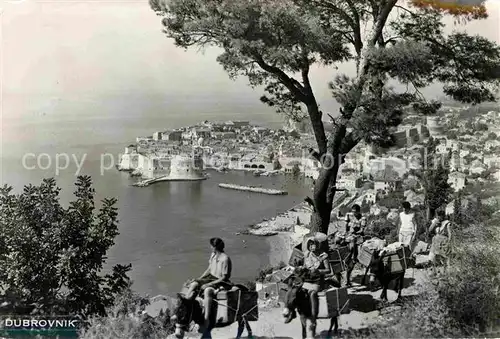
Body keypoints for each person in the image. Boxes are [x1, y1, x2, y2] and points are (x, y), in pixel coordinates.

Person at [184, 238, 232, 323]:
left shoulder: (225, 259)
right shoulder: (213, 255)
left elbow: (224, 277)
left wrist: (209, 284)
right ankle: (186, 306)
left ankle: (206, 317)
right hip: (210, 278)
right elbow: (209, 269)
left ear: (215, 247)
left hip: (221, 281)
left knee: (207, 290)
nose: (210, 247)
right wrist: (199, 279)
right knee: (194, 284)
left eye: (211, 246)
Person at [302, 238, 332, 320]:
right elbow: (305, 267)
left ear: (318, 245)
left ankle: (313, 315)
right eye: (310, 245)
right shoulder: (307, 255)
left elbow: (328, 270)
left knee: (312, 293)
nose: (312, 247)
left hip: (318, 280)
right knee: (301, 292)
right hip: (308, 279)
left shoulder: (323, 256)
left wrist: (318, 271)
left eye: (314, 244)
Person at [428, 211, 452, 276]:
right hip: (436, 242)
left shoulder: (447, 223)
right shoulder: (436, 222)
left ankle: (444, 273)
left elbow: (450, 234)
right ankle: (434, 271)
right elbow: (429, 230)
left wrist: (449, 243)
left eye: (440, 216)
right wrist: (434, 223)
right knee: (432, 257)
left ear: (443, 216)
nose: (439, 218)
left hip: (443, 242)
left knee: (443, 258)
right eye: (438, 216)